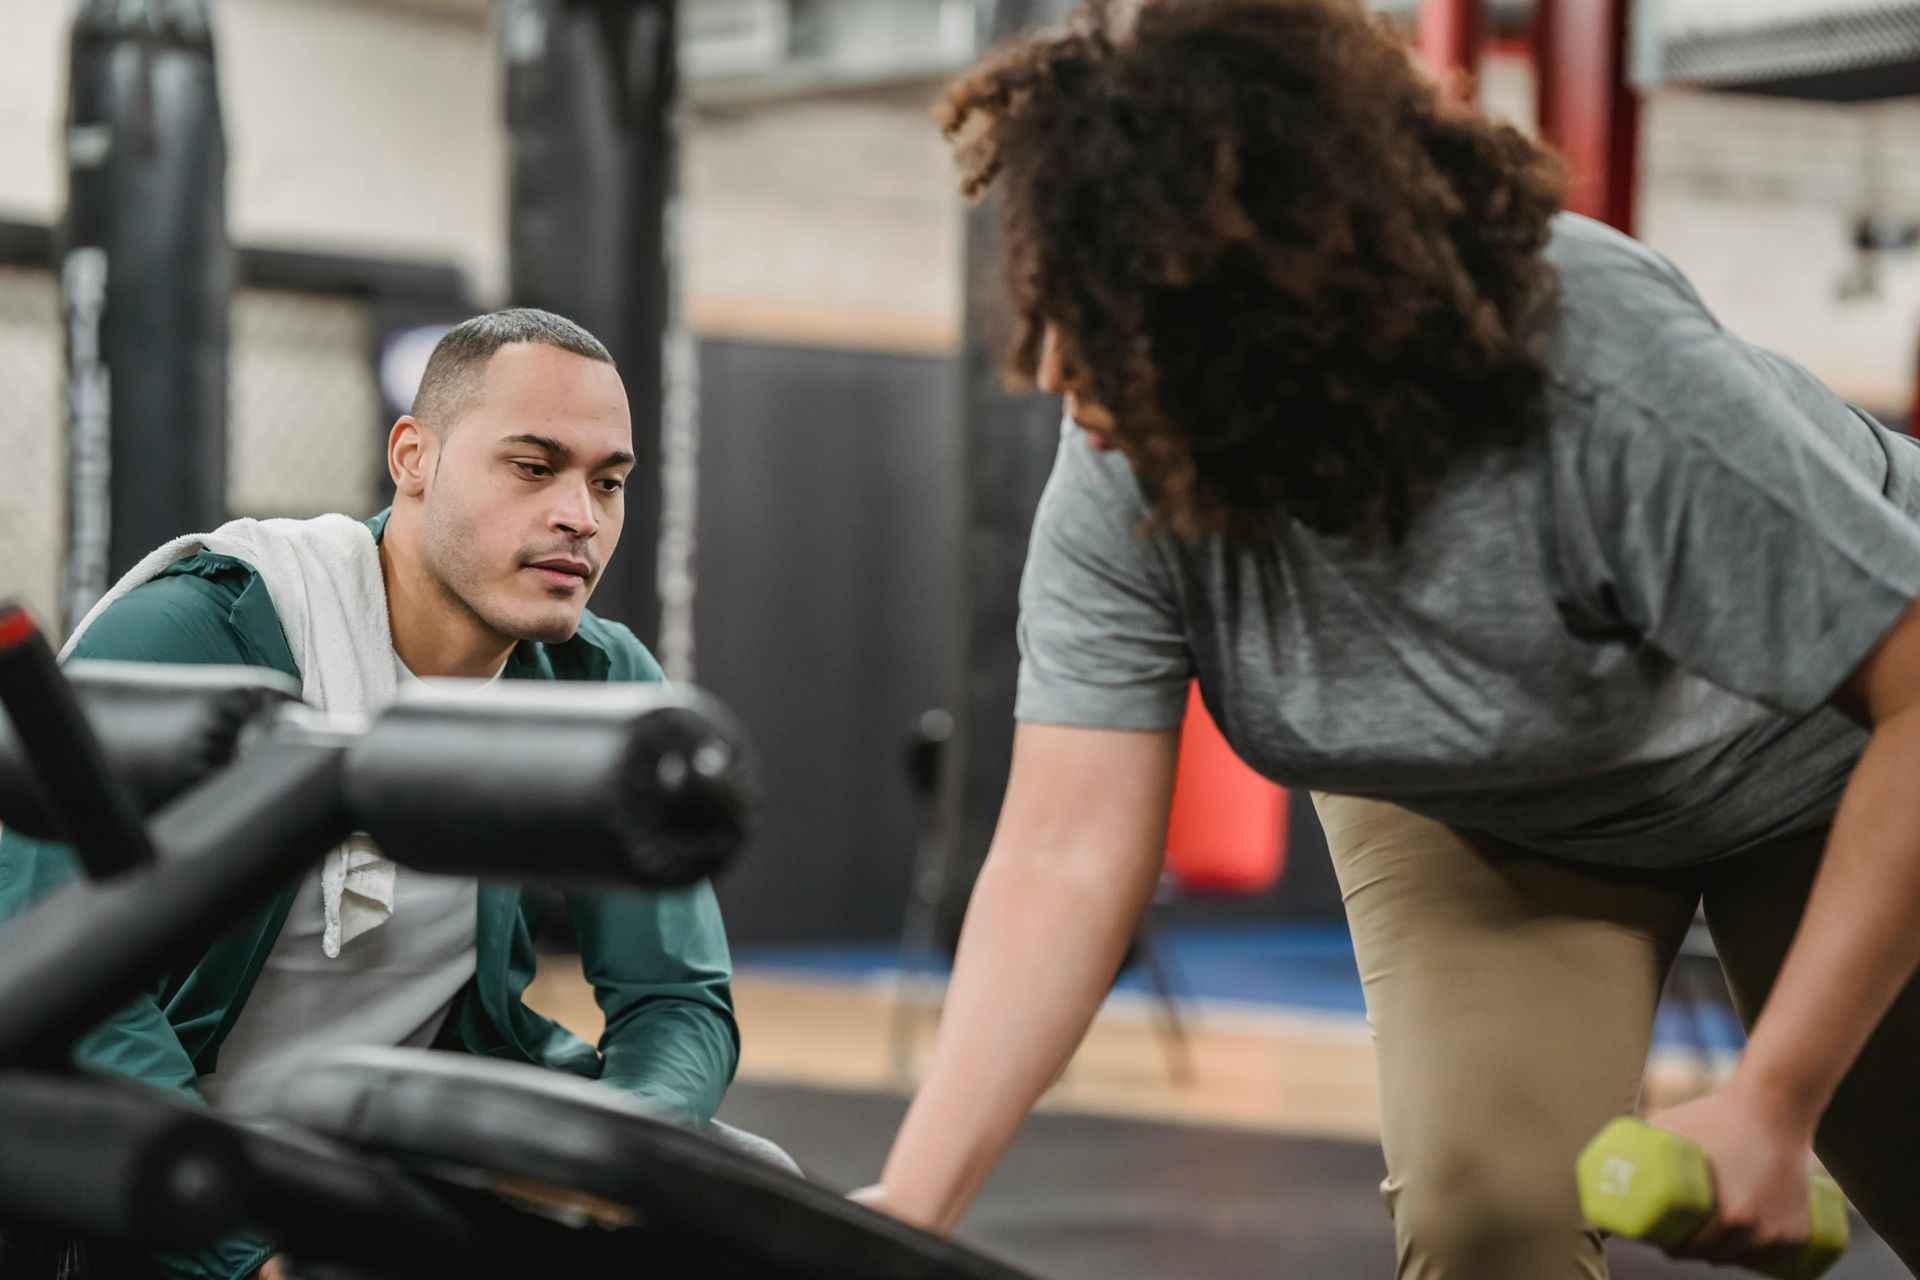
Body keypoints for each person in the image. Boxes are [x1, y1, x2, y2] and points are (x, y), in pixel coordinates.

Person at [852, 3, 1920, 1277]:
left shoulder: (1596, 373)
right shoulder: (1133, 457)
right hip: (1487, 809)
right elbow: (1066, 850)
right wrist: (900, 1213)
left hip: (1823, 765)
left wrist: (1779, 1095)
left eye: (1120, 325)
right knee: (1488, 1220)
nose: (1072, 388)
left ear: (1266, 307)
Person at [0, 309, 743, 1280]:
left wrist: (623, 1154)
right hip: (171, 1146)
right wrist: (241, 1243)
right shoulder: (203, 628)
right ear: (413, 456)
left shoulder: (600, 677)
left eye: (608, 481)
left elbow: (678, 995)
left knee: (742, 1196)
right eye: (533, 465)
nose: (581, 516)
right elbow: (48, 964)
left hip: (386, 1143)